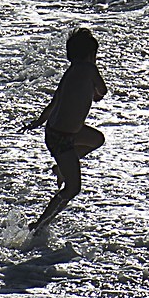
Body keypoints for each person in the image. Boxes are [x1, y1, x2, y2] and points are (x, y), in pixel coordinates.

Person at [21, 28, 107, 230]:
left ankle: (60, 168)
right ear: (91, 55)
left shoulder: (69, 74)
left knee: (97, 139)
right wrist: (95, 93)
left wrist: (38, 122)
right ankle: (40, 225)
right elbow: (102, 91)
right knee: (73, 187)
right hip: (63, 137)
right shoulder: (89, 69)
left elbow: (54, 103)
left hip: (56, 132)